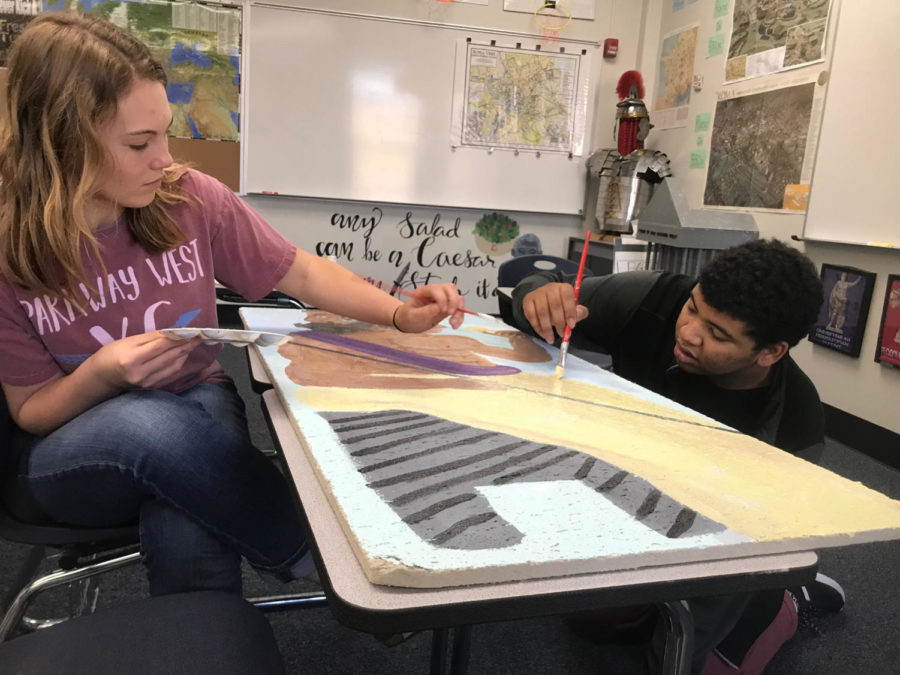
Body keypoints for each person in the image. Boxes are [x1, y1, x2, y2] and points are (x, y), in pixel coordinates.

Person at [0, 12, 465, 598]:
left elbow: (299, 269)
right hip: (67, 451)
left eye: (165, 133)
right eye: (140, 144)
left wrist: (397, 312)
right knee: (150, 425)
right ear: (62, 144)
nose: (164, 159)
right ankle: (327, 566)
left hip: (195, 406)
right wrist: (104, 373)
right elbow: (32, 411)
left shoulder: (187, 198)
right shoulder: (9, 252)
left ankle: (211, 641)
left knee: (189, 525)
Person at [511, 238, 842, 674]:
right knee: (592, 618)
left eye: (718, 334)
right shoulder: (654, 297)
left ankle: (789, 602)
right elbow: (535, 292)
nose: (688, 332)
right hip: (638, 491)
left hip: (726, 540)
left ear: (770, 353)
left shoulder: (794, 425)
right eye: (693, 308)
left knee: (698, 659)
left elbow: (746, 558)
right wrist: (537, 296)